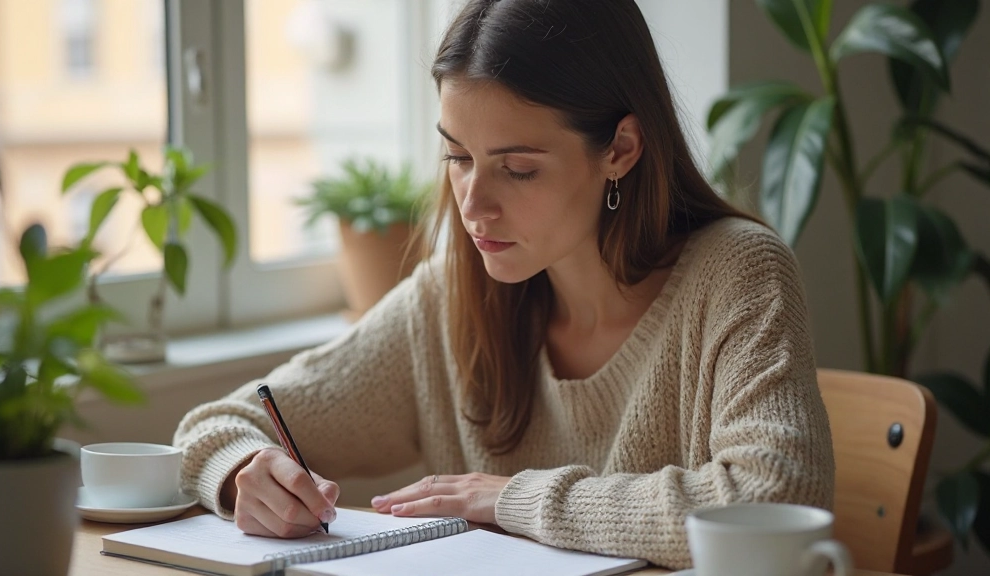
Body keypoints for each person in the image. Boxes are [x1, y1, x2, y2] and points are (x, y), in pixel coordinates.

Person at [173, 0, 834, 569]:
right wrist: (240, 475)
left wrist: (511, 498)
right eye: (458, 157)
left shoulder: (738, 273)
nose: (473, 205)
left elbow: (774, 497)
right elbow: (218, 423)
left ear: (621, 149)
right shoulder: (449, 301)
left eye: (517, 170)